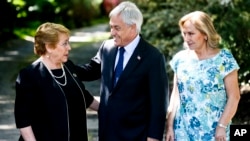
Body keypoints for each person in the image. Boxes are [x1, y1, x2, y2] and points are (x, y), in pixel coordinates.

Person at [80, 1, 169, 141]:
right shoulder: (107, 47)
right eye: (111, 27)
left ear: (132, 27)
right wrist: (62, 63)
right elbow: (90, 71)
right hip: (107, 132)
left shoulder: (153, 57)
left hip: (135, 134)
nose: (112, 32)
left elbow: (158, 103)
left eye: (117, 28)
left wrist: (154, 137)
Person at [14, 22, 99, 141]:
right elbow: (23, 121)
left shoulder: (68, 67)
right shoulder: (29, 75)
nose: (69, 47)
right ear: (49, 47)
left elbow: (83, 96)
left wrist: (110, 109)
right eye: (64, 43)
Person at [165, 11, 241, 141]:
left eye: (191, 34)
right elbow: (176, 96)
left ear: (205, 34)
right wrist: (170, 126)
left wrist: (222, 126)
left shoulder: (224, 59)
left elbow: (234, 97)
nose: (187, 38)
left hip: (215, 131)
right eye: (184, 33)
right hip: (183, 131)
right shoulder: (180, 59)